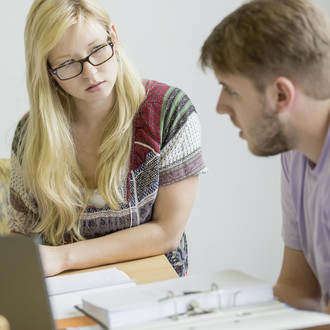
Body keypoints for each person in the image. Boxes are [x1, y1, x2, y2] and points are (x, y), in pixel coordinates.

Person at [7, 0, 206, 278]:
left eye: (97, 50)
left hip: (153, 286)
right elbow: (21, 233)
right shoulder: (30, 134)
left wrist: (63, 257)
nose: (90, 72)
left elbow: (167, 233)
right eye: (67, 63)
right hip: (65, 291)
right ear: (48, 73)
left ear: (114, 37)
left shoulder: (170, 112)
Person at [200, 0, 330, 314]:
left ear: (281, 95)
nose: (220, 107)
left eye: (230, 90)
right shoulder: (296, 152)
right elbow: (298, 289)